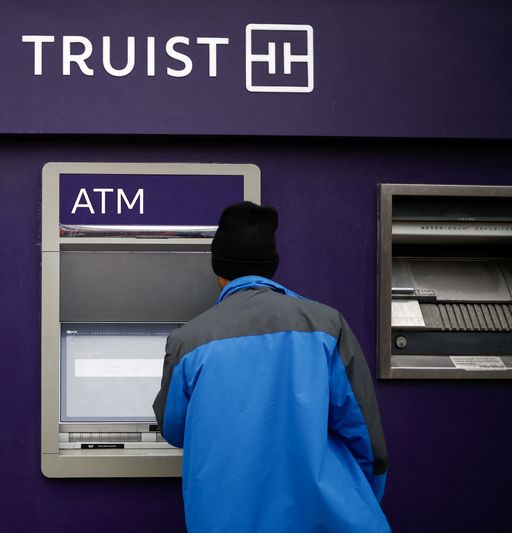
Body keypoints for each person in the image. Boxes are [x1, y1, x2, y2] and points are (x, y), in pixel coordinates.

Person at [153, 201, 390, 532]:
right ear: (271, 266)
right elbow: (365, 435)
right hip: (324, 519)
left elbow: (173, 429)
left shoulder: (188, 341)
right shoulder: (326, 326)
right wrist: (365, 495)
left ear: (218, 269)